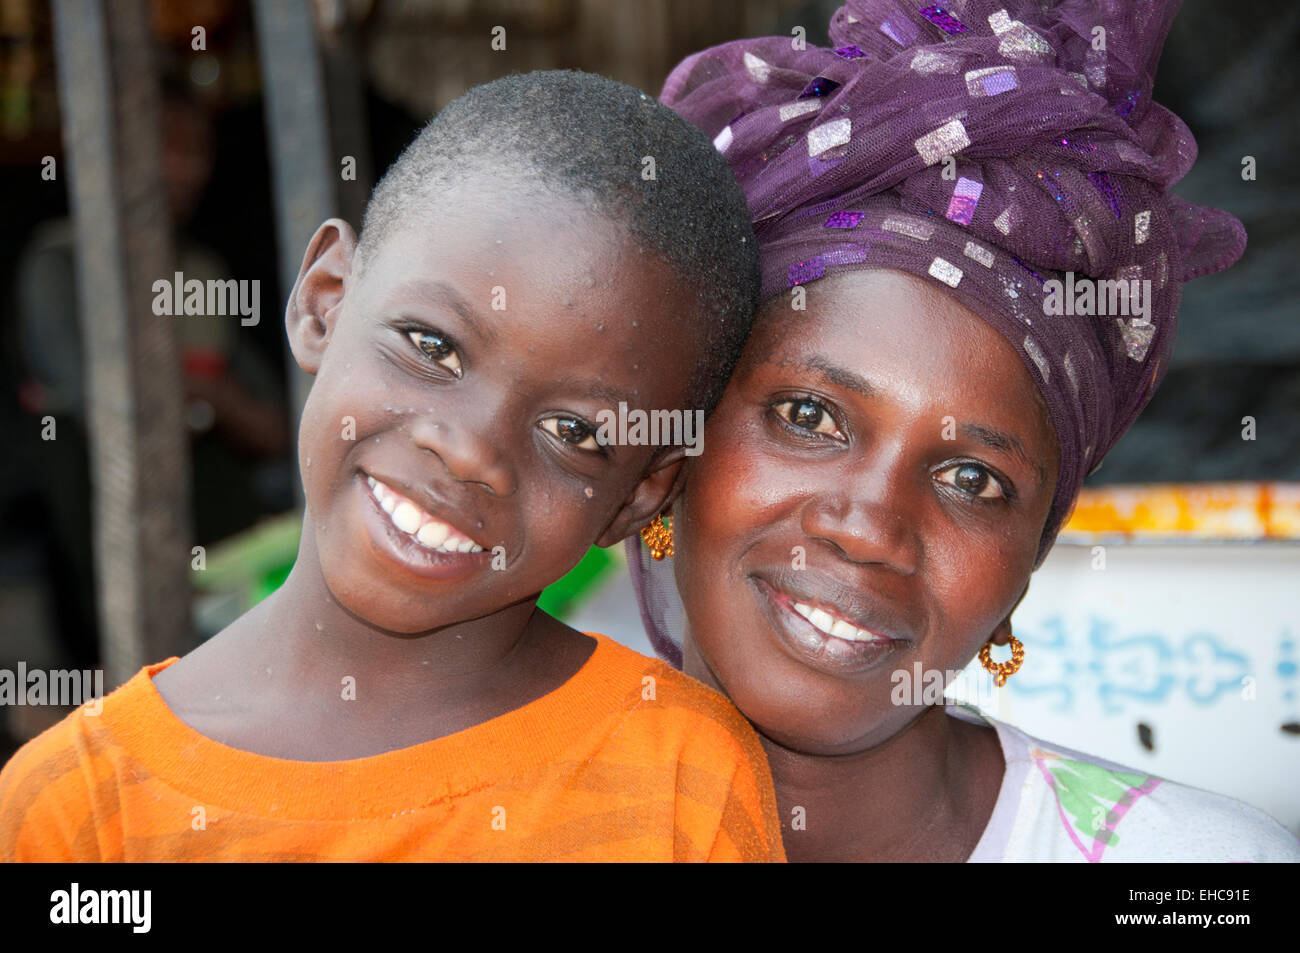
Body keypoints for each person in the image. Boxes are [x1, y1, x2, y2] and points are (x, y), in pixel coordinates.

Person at [0, 70, 783, 862]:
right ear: (325, 301)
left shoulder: (681, 784)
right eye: (433, 346)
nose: (469, 449)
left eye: (572, 429)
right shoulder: (77, 814)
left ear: (638, 496)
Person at [627, 1, 1300, 861]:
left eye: (972, 479)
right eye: (810, 416)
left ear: (1031, 557)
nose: (869, 526)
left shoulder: (1194, 873)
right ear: (683, 446)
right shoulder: (476, 824)